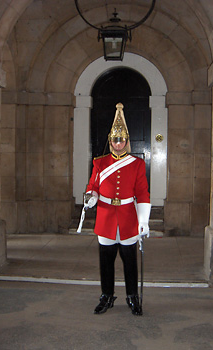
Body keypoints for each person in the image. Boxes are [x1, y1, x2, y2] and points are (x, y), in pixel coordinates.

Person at [84, 103, 151, 316]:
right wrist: (91, 197)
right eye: (115, 139)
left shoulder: (137, 164)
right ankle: (107, 295)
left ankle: (132, 296)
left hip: (128, 217)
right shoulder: (100, 163)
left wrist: (143, 220)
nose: (118, 143)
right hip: (105, 216)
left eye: (122, 139)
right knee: (106, 261)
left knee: (130, 261)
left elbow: (142, 193)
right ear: (110, 140)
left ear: (127, 141)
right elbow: (93, 185)